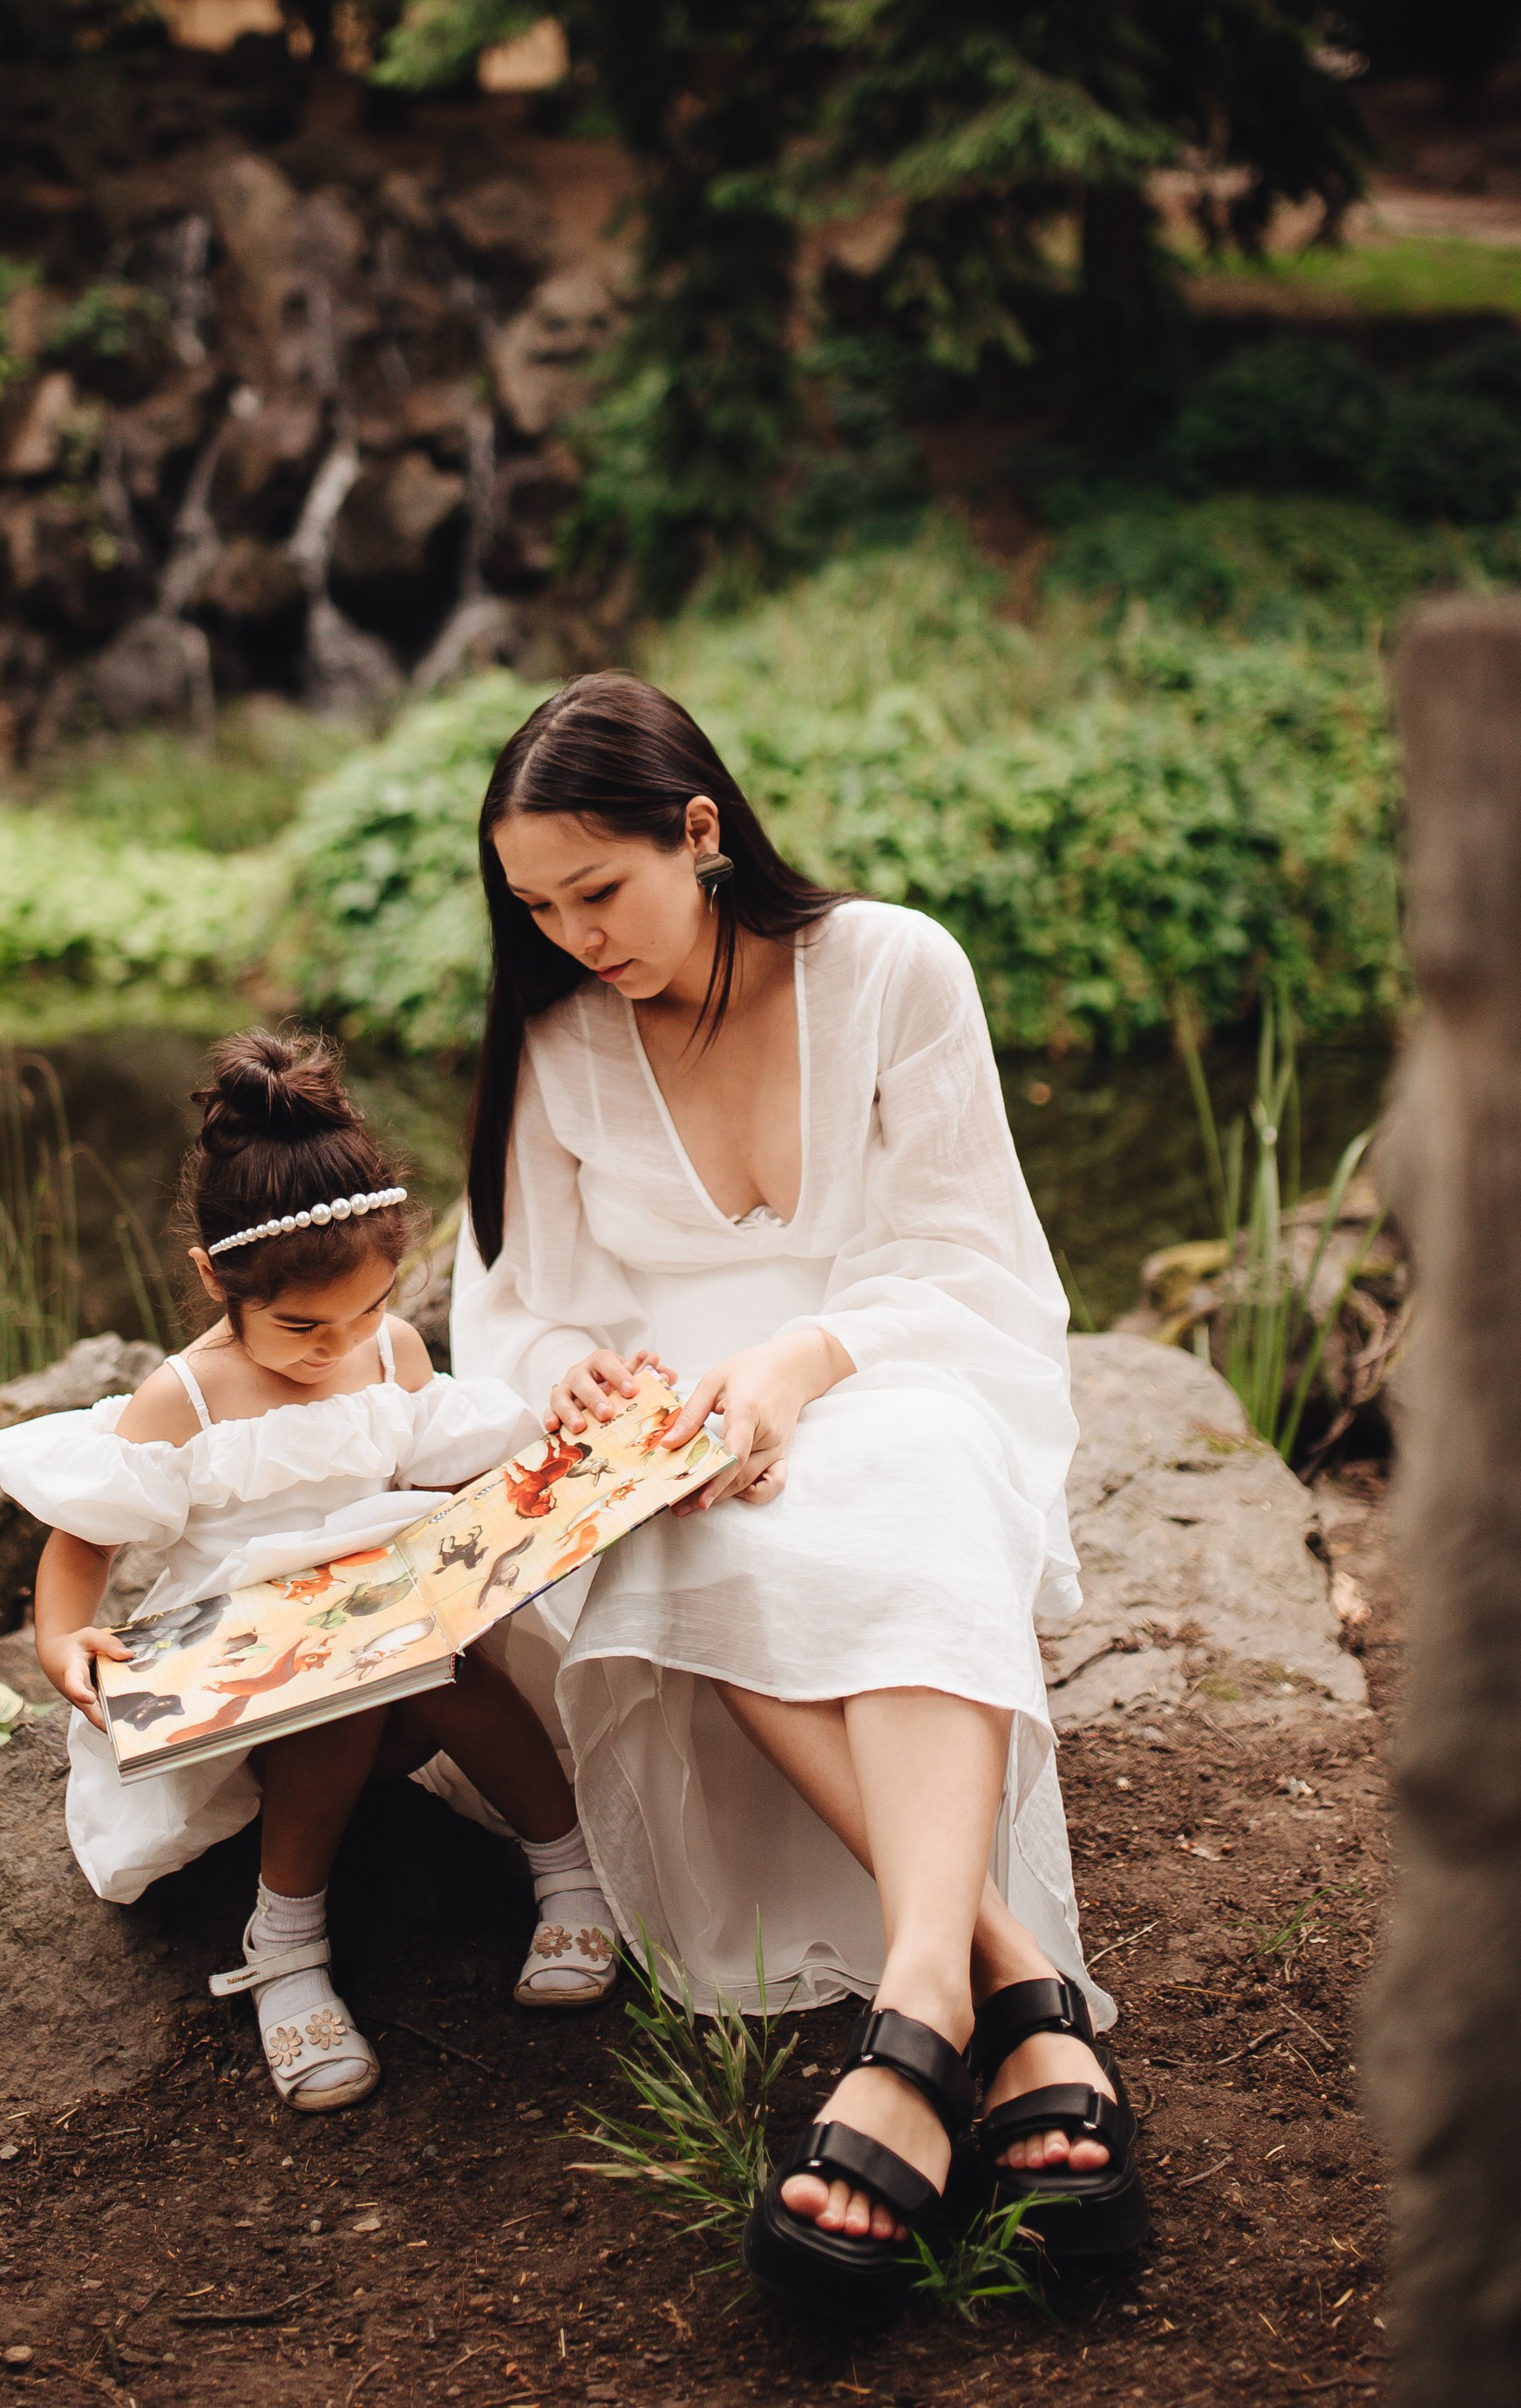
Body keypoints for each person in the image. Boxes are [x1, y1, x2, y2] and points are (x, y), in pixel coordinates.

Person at [451, 672, 1146, 2317]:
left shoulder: (893, 967)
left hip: (894, 1365)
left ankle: (914, 2018)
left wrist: (795, 1365)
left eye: (597, 892)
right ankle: (1007, 1983)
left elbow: (968, 1257)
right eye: (535, 908)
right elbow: (516, 1311)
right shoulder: (553, 1046)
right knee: (707, 1529)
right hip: (689, 1439)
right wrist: (572, 1378)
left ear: (698, 834)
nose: (574, 937)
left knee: (898, 1476)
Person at [0, 1030, 618, 2114]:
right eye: (299, 1325)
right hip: (263, 1687)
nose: (338, 1346)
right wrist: (59, 1640)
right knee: (338, 1692)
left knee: (442, 1659)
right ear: (213, 1280)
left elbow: (448, 1470)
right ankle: (285, 1944)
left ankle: (567, 1869)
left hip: (402, 1648)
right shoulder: (183, 1399)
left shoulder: (391, 1356)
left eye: (368, 1309)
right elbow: (85, 1536)